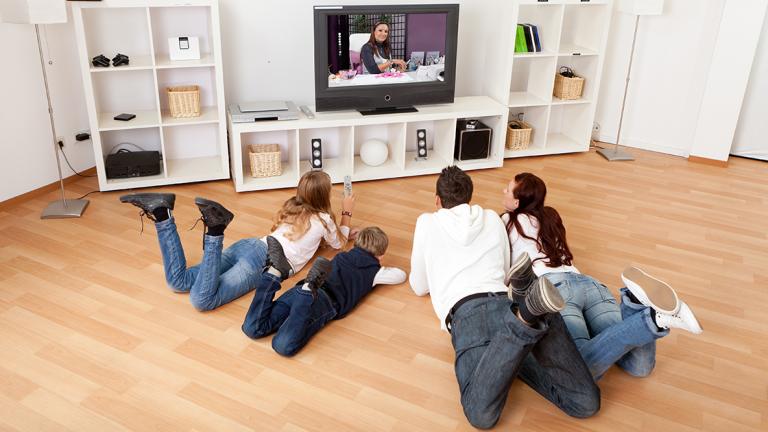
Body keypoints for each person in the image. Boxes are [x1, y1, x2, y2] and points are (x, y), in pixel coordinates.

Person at [409, 166, 600, 429]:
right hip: (505, 304)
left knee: (481, 415)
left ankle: (525, 321)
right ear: (469, 196)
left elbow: (419, 286)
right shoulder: (492, 217)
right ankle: (537, 313)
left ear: (438, 201)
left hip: (467, 313)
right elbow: (505, 267)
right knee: (585, 404)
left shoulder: (427, 221)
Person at [501, 172, 703, 380]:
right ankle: (644, 312)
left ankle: (644, 313)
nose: (503, 191)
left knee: (580, 371)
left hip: (554, 292)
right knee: (639, 367)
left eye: (507, 189)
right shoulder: (552, 216)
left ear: (516, 202)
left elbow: (506, 270)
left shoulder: (507, 220)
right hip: (590, 284)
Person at [119, 170, 353, 311]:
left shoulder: (293, 206)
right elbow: (339, 244)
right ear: (324, 196)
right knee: (202, 300)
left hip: (250, 245)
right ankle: (215, 229)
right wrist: (347, 212)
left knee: (178, 282)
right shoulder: (324, 219)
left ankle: (161, 213)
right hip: (264, 262)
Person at [241, 226, 406, 356]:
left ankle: (274, 274)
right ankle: (308, 291)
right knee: (282, 346)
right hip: (323, 302)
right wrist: (378, 266)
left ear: (356, 244)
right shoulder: (375, 272)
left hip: (298, 289)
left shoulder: (342, 256)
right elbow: (400, 275)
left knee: (252, 328)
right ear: (381, 255)